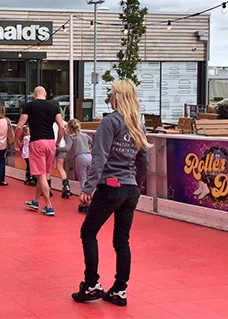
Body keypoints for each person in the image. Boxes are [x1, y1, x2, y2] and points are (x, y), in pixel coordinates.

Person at [71, 79, 151, 307]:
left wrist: (88, 187)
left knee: (88, 231)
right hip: (130, 189)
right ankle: (120, 289)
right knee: (122, 240)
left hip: (110, 187)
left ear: (119, 97)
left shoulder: (110, 122)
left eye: (113, 94)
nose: (110, 98)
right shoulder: (138, 125)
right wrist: (136, 186)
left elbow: (100, 156)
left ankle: (91, 284)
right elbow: (144, 161)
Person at [13, 86, 66, 217]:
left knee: (41, 175)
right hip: (50, 143)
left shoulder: (29, 106)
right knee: (44, 174)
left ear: (34, 95)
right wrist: (58, 141)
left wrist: (16, 140)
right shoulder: (53, 107)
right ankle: (35, 201)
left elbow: (19, 126)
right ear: (45, 94)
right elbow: (61, 126)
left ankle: (49, 206)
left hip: (37, 142)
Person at [62, 119, 93, 212]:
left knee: (83, 179)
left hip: (80, 157)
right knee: (89, 178)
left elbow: (67, 148)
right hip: (89, 156)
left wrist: (56, 148)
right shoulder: (85, 135)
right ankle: (90, 197)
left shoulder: (72, 137)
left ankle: (86, 200)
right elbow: (92, 142)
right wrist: (90, 149)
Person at [54, 125, 72, 198]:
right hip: (62, 145)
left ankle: (48, 187)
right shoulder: (62, 123)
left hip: (52, 144)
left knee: (48, 168)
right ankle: (66, 185)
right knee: (60, 167)